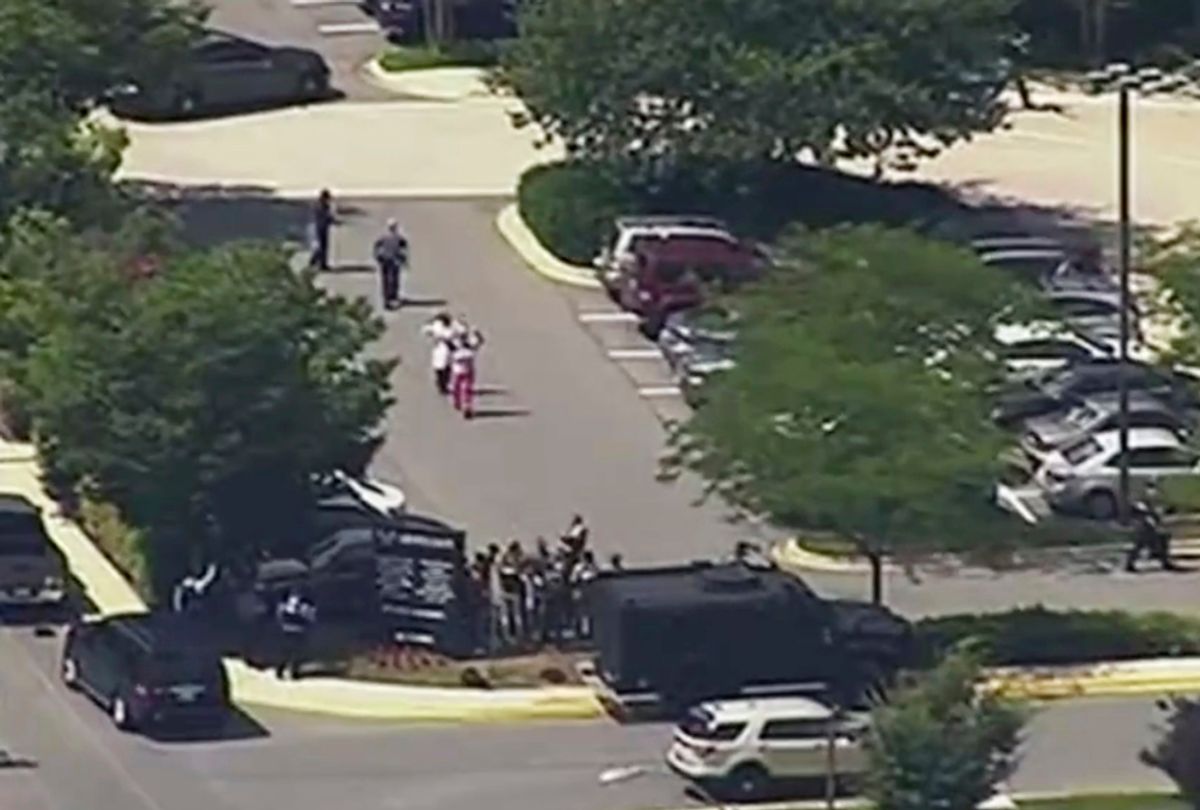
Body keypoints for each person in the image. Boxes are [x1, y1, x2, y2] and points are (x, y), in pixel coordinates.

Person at [1125, 485, 1180, 572]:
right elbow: (1143, 512)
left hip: (1149, 526)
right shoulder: (1142, 501)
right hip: (1144, 526)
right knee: (1142, 544)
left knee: (1160, 541)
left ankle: (1164, 562)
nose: (1152, 492)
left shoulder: (1153, 500)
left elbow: (1156, 513)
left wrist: (1167, 511)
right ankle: (1129, 564)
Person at [275, 588, 317, 680]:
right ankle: (292, 672)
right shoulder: (304, 603)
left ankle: (283, 671)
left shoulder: (287, 601)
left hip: (289, 629)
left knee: (287, 652)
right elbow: (310, 616)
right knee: (294, 652)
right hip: (297, 630)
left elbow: (280, 613)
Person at [373, 219, 409, 310]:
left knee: (385, 280)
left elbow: (376, 246)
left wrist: (377, 256)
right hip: (394, 260)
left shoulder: (383, 237)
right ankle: (393, 297)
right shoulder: (399, 238)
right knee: (394, 279)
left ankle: (386, 299)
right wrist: (404, 260)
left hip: (384, 259)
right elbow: (404, 249)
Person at [450, 327, 484, 419]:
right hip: (459, 372)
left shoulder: (469, 349)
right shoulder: (456, 347)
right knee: (457, 388)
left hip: (467, 372)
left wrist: (477, 334)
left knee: (467, 390)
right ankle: (458, 402)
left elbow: (479, 342)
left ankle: (466, 406)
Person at [422, 313, 455, 395]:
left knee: (441, 369)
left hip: (441, 351)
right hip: (443, 351)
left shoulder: (439, 329)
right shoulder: (446, 329)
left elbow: (426, 330)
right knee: (445, 369)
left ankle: (442, 385)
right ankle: (443, 385)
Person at [308, 189, 335, 271]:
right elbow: (323, 216)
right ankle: (315, 262)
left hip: (323, 227)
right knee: (320, 246)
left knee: (323, 246)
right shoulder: (320, 205)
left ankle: (321, 263)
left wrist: (330, 220)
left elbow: (328, 216)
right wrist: (330, 220)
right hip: (319, 228)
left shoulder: (325, 205)